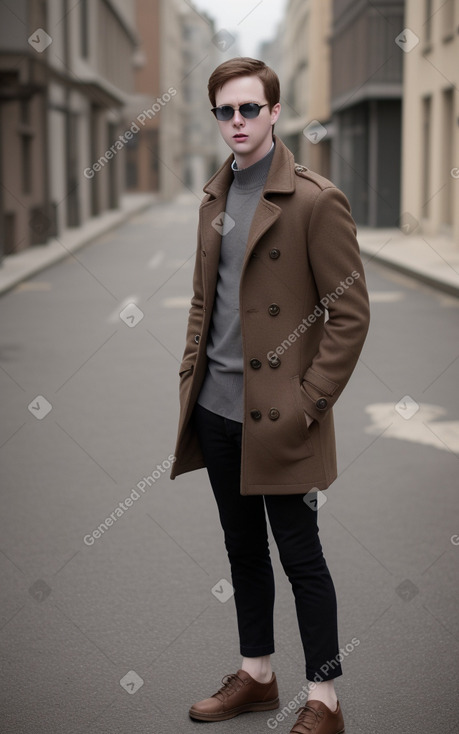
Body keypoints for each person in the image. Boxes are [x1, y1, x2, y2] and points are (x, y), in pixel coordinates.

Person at [170, 57, 370, 734]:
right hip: (218, 410)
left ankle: (324, 701)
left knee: (301, 557)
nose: (236, 122)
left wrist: (309, 403)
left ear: (274, 113)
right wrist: (189, 379)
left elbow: (349, 314)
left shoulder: (314, 200)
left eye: (248, 109)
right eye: (224, 110)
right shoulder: (213, 197)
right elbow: (205, 302)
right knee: (241, 552)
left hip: (282, 419)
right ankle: (256, 675)